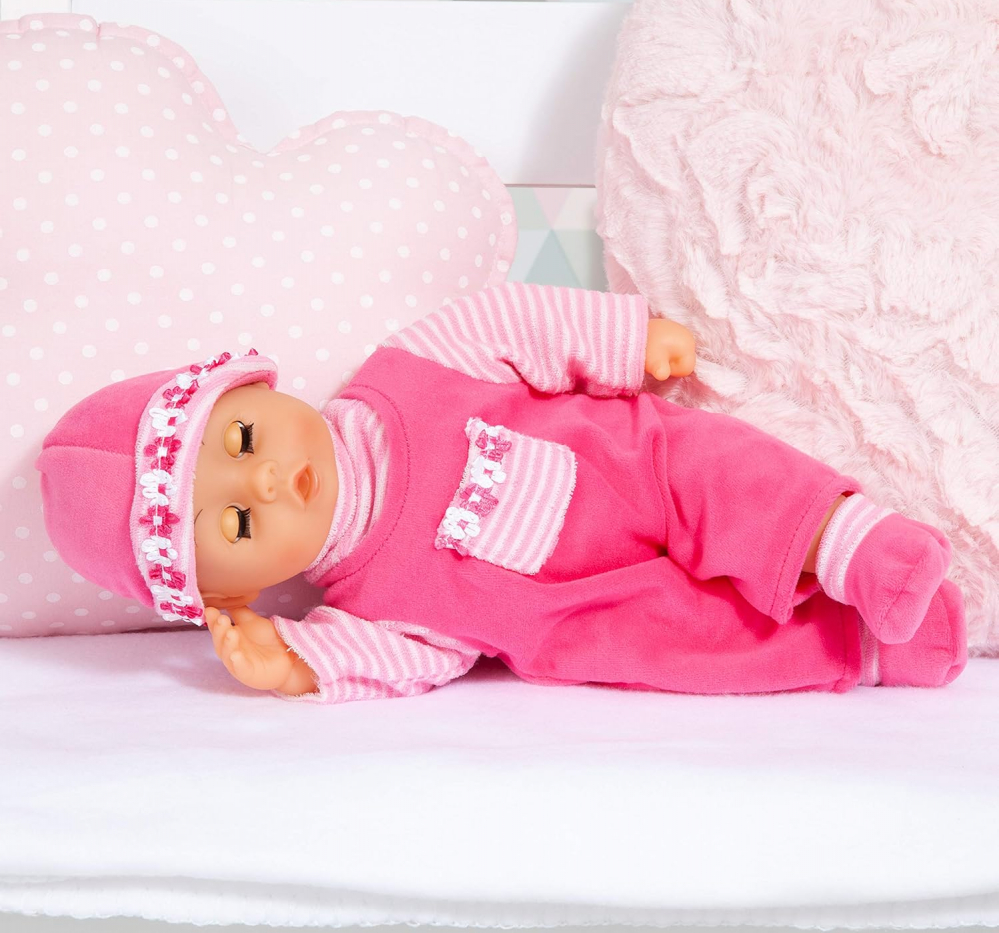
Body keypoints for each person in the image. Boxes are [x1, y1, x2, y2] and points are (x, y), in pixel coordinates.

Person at [36, 283, 967, 703]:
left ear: (256, 389)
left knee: (723, 473)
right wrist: (294, 667)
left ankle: (855, 546)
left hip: (631, 465)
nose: (270, 478)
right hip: (591, 617)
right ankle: (867, 649)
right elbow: (407, 665)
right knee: (688, 650)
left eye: (243, 440)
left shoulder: (405, 371)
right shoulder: (367, 607)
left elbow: (504, 322)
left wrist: (619, 342)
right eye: (239, 518)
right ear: (230, 592)